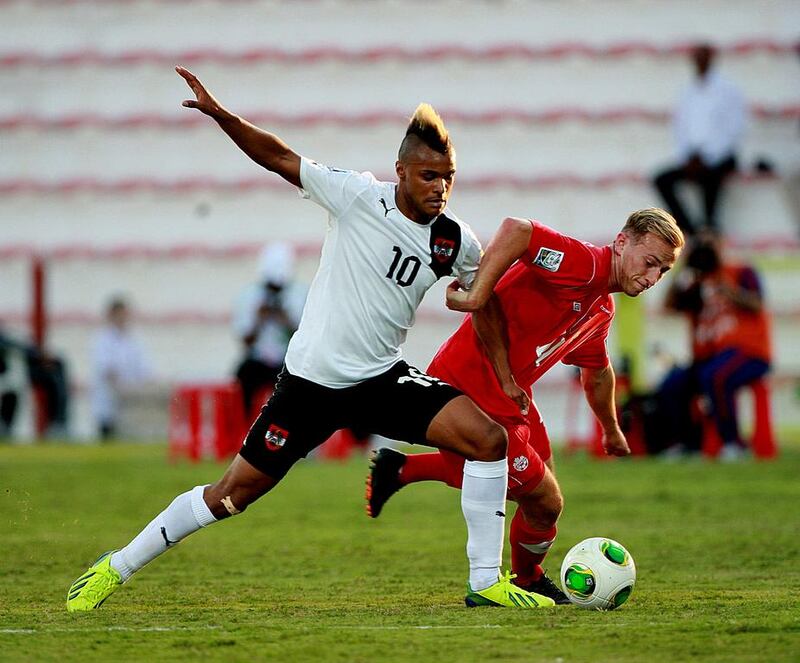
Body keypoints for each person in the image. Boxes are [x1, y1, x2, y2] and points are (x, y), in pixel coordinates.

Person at [66, 66, 555, 613]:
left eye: (448, 176)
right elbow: (278, 156)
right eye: (427, 175)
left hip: (380, 379)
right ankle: (116, 565)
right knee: (229, 496)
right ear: (400, 171)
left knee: (489, 440)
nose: (440, 187)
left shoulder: (455, 240)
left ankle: (485, 583)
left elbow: (482, 299)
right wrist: (220, 113)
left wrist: (506, 377)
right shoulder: (358, 197)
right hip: (310, 384)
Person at [366, 209, 684, 600]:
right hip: (474, 384)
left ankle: (403, 470)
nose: (653, 278)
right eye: (650, 263)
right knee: (543, 499)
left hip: (511, 395)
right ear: (621, 243)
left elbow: (598, 372)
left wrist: (611, 428)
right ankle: (521, 579)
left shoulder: (601, 307)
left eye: (663, 271)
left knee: (540, 494)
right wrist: (479, 290)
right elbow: (518, 230)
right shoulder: (583, 264)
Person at [658, 233, 771, 460]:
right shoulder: (695, 284)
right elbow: (669, 305)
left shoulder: (741, 272)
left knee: (716, 376)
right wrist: (682, 266)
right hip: (711, 357)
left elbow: (757, 304)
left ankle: (733, 444)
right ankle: (689, 445)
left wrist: (724, 285)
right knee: (672, 385)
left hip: (749, 352)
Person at [653, 43, 747, 235]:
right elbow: (680, 128)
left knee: (710, 177)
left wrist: (707, 157)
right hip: (693, 158)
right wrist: (688, 157)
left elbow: (734, 129)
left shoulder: (727, 89)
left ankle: (710, 226)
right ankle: (690, 229)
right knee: (661, 179)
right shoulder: (688, 92)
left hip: (720, 157)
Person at [233, 242, 306, 414]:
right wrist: (259, 320)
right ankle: (245, 425)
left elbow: (306, 340)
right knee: (243, 375)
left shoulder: (300, 294)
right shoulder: (249, 295)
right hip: (259, 362)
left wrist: (285, 320)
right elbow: (245, 341)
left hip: (288, 361)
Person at [90, 297, 154, 440]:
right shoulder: (102, 339)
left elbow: (145, 369)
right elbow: (106, 369)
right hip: (109, 401)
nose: (123, 318)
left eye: (125, 314)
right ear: (111, 315)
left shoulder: (134, 339)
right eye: (119, 314)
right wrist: (121, 387)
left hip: (131, 402)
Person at [0, 326, 70, 438]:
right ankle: (5, 425)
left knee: (55, 370)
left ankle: (58, 423)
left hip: (11, 372)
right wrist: (39, 355)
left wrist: (40, 355)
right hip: (6, 373)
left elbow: (12, 343)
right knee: (13, 383)